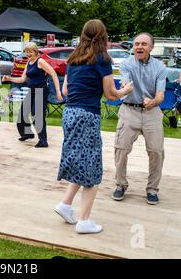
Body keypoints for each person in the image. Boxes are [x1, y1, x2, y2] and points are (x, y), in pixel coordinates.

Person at [54, 20, 133, 234]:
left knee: (81, 161)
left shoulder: (73, 59)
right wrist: (125, 90)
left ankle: (65, 204)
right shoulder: (102, 59)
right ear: (103, 36)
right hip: (87, 115)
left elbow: (68, 90)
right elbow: (110, 94)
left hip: (69, 114)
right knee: (92, 168)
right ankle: (84, 221)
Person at [112, 32, 167, 205]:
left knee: (157, 152)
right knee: (121, 149)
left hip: (152, 112)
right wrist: (125, 88)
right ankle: (120, 185)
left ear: (151, 47)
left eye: (143, 44)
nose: (139, 47)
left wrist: (153, 102)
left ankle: (152, 189)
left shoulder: (160, 67)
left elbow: (160, 95)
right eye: (136, 44)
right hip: (129, 110)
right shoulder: (127, 64)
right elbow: (126, 83)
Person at [2, 42, 62, 148]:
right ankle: (27, 134)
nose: (28, 54)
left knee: (37, 115)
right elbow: (22, 79)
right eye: (26, 52)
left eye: (30, 52)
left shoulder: (40, 61)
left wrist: (58, 91)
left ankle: (43, 141)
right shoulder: (28, 62)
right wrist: (9, 78)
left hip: (41, 90)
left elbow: (53, 73)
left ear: (35, 51)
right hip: (31, 90)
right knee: (22, 114)